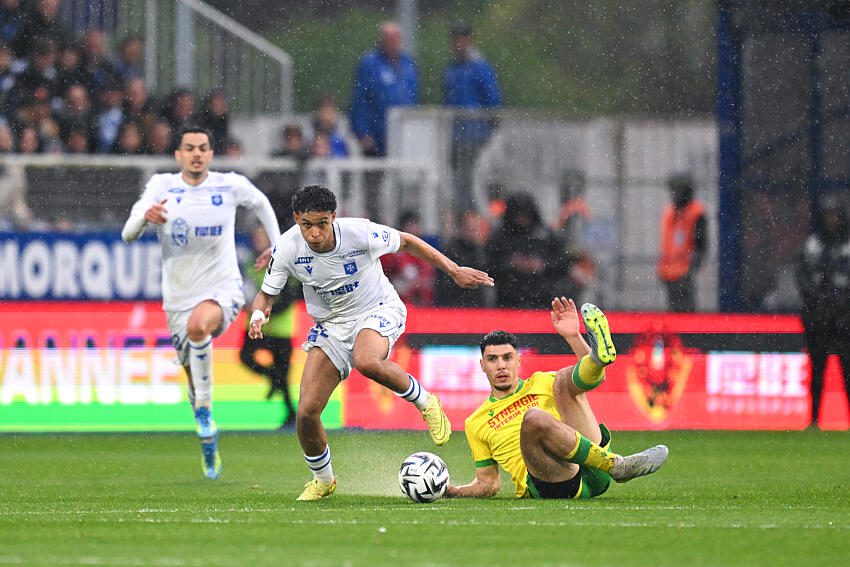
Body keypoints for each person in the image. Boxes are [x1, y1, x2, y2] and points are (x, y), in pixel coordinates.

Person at [248, 184, 493, 500]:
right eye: (307, 225)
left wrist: (454, 270)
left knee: (366, 360)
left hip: (377, 309)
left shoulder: (359, 233)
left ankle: (425, 401)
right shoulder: (287, 248)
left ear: (333, 217)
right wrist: (258, 315)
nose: (315, 233)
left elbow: (407, 241)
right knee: (306, 413)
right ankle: (323, 480)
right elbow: (265, 295)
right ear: (297, 219)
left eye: (322, 223)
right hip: (331, 326)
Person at [121, 126, 281, 480]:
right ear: (178, 155)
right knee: (192, 375)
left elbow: (260, 203)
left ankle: (206, 411)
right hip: (178, 298)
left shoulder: (228, 184)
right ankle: (207, 433)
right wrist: (145, 218)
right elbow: (127, 233)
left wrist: (278, 245)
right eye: (189, 148)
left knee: (198, 326)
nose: (196, 153)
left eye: (203, 147)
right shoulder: (161, 186)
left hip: (223, 288)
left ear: (210, 154)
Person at [445, 299, 669, 499]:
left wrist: (573, 337)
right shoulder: (476, 422)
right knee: (533, 419)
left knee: (562, 381)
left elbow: (596, 380)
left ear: (518, 361)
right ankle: (616, 465)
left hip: (593, 470)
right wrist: (449, 491)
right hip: (554, 480)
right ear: (482, 365)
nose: (501, 365)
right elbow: (488, 484)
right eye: (492, 359)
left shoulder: (541, 382)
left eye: (507, 358)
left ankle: (597, 358)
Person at [795, 202, 850, 428]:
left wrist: (842, 305)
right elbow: (802, 277)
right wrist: (816, 303)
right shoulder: (812, 246)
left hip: (844, 320)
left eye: (834, 216)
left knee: (848, 371)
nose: (831, 221)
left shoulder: (846, 246)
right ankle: (814, 419)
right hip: (818, 320)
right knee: (817, 371)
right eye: (828, 216)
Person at [240, 227, 298, 429]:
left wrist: (266, 311)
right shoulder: (251, 262)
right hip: (258, 326)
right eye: (255, 236)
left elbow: (290, 295)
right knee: (245, 356)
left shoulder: (284, 263)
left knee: (283, 370)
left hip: (280, 327)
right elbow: (246, 289)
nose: (258, 239)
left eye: (261, 235)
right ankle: (275, 379)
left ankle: (291, 413)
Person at [443, 22, 502, 211]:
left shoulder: (479, 67)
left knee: (470, 179)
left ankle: (470, 213)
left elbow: (492, 99)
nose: (458, 44)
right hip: (457, 134)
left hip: (475, 133)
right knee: (459, 179)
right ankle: (463, 213)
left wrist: (490, 128)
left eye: (461, 39)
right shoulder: (452, 68)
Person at [486, 192, 570, 308]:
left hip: (541, 298)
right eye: (518, 215)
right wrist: (510, 264)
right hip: (508, 299)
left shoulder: (546, 235)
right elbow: (489, 266)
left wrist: (542, 265)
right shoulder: (500, 236)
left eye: (525, 215)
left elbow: (562, 265)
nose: (522, 219)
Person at [349, 21, 418, 157]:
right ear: (381, 40)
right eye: (389, 38)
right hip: (377, 135)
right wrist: (363, 131)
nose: (393, 42)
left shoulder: (408, 63)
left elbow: (413, 97)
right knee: (377, 168)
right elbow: (359, 99)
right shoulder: (369, 63)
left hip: (403, 134)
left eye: (395, 38)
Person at [656, 174, 707, 312]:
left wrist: (693, 267)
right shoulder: (670, 212)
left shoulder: (695, 213)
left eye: (676, 191)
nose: (673, 195)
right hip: (669, 272)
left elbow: (700, 244)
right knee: (673, 311)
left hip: (684, 272)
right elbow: (667, 244)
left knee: (685, 311)